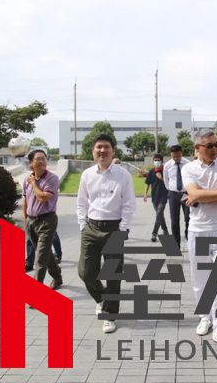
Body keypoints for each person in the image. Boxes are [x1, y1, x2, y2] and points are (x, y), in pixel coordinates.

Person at [182, 131, 217, 349]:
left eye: (216, 145)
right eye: (209, 146)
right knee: (201, 280)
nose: (214, 149)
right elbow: (195, 194)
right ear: (197, 148)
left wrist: (201, 195)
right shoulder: (188, 168)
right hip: (198, 230)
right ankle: (205, 317)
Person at [77, 134, 136, 334]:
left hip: (114, 229)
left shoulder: (123, 175)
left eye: (106, 147)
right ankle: (102, 298)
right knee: (86, 272)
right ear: (93, 151)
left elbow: (129, 204)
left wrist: (122, 229)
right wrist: (82, 225)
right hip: (91, 228)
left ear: (113, 151)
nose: (102, 151)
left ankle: (110, 315)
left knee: (113, 274)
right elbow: (81, 202)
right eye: (98, 147)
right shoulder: (87, 175)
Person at [23, 149, 63, 290]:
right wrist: (26, 220)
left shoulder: (52, 178)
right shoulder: (27, 180)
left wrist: (34, 183)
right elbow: (25, 200)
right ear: (31, 163)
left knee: (40, 258)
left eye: (44, 158)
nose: (41, 161)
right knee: (46, 254)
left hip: (47, 221)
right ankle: (58, 278)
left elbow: (43, 197)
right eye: (38, 159)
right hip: (31, 221)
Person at [163, 145, 190, 248]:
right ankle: (176, 244)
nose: (176, 158)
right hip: (173, 194)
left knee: (188, 218)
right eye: (174, 156)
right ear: (171, 155)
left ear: (181, 153)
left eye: (178, 156)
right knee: (174, 220)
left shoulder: (188, 164)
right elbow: (166, 180)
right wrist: (171, 189)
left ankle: (188, 237)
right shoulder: (167, 165)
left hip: (186, 193)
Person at [144, 153, 169, 242]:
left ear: (162, 161)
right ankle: (165, 230)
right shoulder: (151, 172)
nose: (157, 162)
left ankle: (154, 233)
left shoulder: (166, 171)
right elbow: (147, 183)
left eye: (158, 160)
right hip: (154, 197)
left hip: (163, 196)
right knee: (160, 215)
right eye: (155, 160)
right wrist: (145, 194)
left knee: (159, 213)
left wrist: (161, 178)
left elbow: (170, 183)